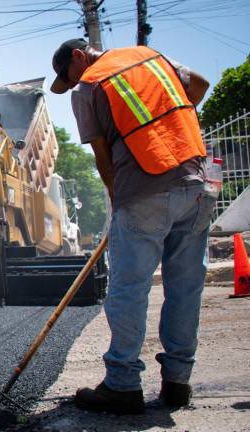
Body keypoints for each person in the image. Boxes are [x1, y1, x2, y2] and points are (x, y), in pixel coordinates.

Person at [50, 38, 214, 414]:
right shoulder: (152, 56)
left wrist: (117, 201)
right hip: (196, 184)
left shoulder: (91, 85)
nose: (73, 84)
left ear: (79, 56)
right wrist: (174, 127)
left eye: (69, 76)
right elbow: (200, 85)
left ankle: (122, 384)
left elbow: (103, 158)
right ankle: (177, 382)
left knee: (128, 288)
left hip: (144, 190)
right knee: (185, 288)